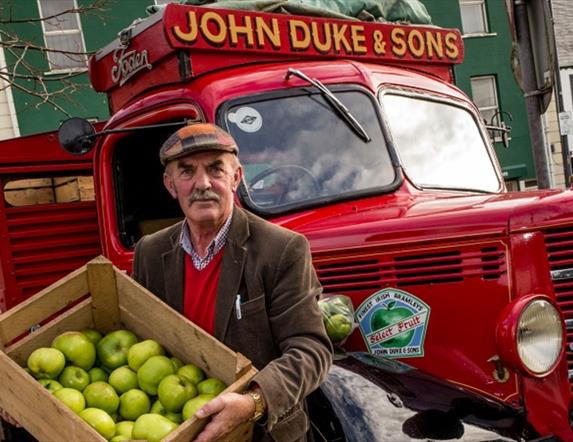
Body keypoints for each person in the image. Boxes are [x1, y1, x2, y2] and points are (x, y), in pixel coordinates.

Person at [132, 123, 333, 442]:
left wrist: (254, 402)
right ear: (170, 185)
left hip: (263, 433)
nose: (202, 184)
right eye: (186, 172)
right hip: (178, 427)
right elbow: (136, 339)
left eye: (215, 169)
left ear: (236, 177)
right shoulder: (150, 252)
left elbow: (311, 350)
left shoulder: (281, 249)